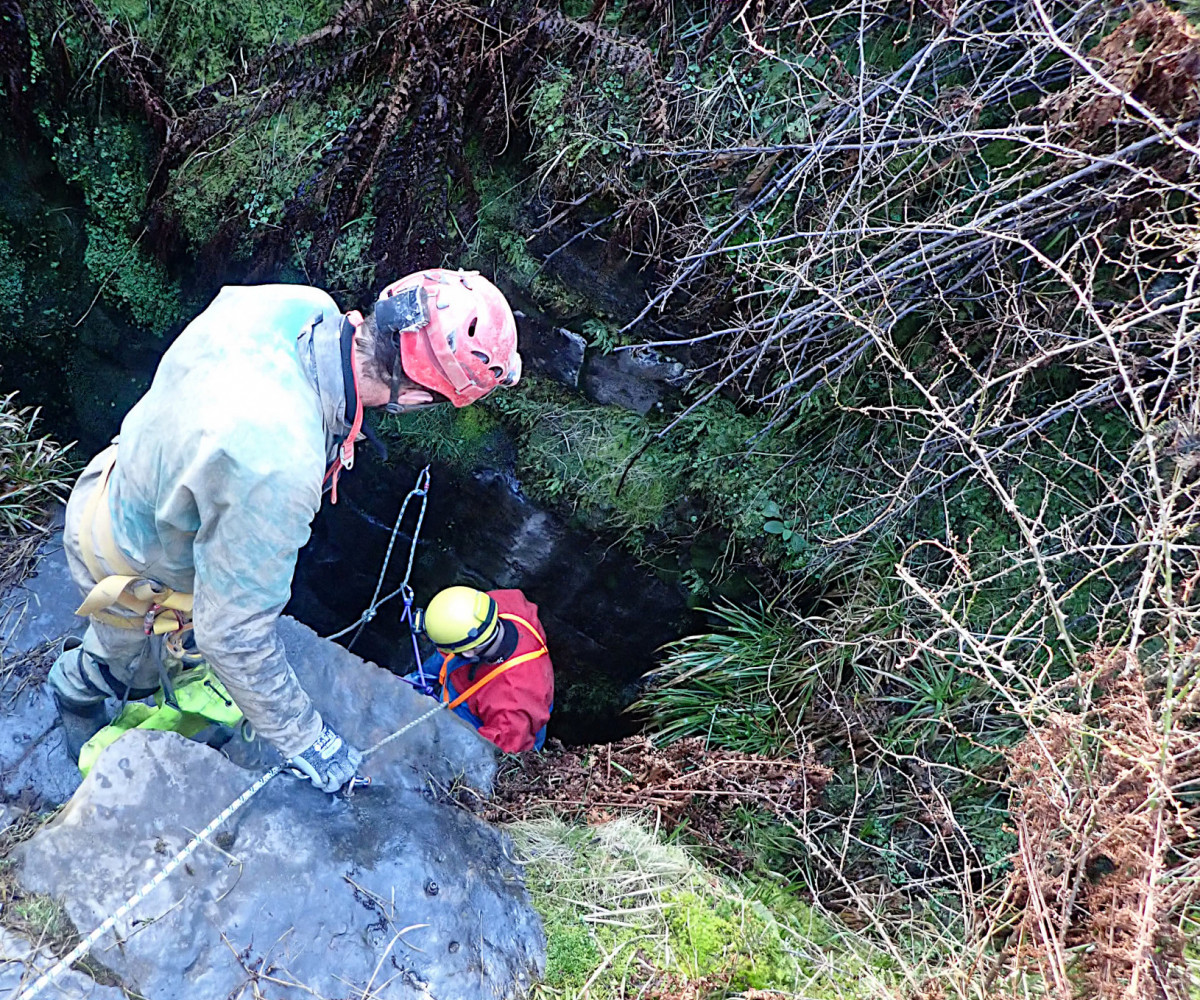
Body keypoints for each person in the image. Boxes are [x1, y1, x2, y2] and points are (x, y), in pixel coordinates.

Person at [48, 269, 521, 793]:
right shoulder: (280, 464)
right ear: (414, 398)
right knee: (127, 659)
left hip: (123, 480)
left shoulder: (299, 305)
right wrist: (308, 741)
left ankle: (138, 674)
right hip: (130, 562)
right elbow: (233, 635)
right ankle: (75, 692)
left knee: (160, 647)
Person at [414, 586, 554, 753]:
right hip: (475, 676)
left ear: (468, 653)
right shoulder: (498, 605)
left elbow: (489, 753)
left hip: (506, 728)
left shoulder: (512, 705)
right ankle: (415, 683)